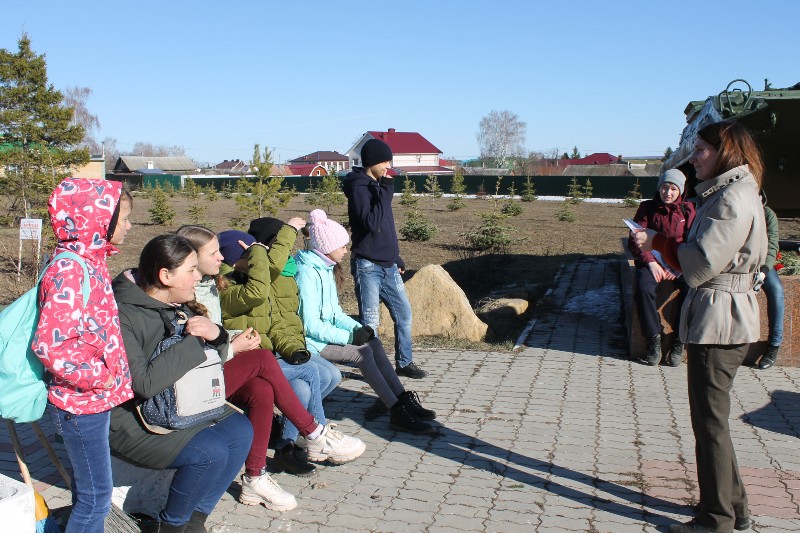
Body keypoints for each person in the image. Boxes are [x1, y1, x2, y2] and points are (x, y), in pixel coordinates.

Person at [633, 121, 766, 533]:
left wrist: (657, 241)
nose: (694, 158)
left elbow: (701, 263)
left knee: (709, 424)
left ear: (726, 151)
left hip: (720, 320)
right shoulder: (733, 191)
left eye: (702, 149)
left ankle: (715, 519)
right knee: (714, 421)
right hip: (721, 316)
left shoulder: (732, 198)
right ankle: (735, 508)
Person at [177, 225, 352, 508]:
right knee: (266, 360)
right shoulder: (192, 293)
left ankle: (255, 477)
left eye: (220, 252)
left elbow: (271, 317)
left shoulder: (211, 285)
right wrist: (232, 345)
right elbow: (190, 351)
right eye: (213, 253)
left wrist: (234, 339)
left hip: (218, 366)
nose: (220, 258)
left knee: (262, 390)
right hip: (193, 385)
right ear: (190, 258)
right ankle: (313, 432)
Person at [32, 177, 134, 533]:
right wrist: (100, 376)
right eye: (124, 218)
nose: (129, 226)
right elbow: (51, 344)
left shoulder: (90, 261)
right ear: (99, 220)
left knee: (88, 492)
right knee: (96, 500)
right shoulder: (71, 269)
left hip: (91, 400)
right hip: (80, 403)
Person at [216, 228, 365, 468]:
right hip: (247, 362)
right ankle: (315, 435)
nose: (260, 260)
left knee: (318, 379)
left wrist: (293, 349)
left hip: (270, 353)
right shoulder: (231, 289)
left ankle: (293, 440)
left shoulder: (263, 281)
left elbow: (279, 323)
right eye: (252, 255)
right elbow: (257, 293)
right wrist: (265, 247)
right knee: (309, 375)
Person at [295, 209, 437, 434]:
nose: (346, 249)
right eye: (342, 246)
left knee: (373, 342)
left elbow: (335, 312)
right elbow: (310, 325)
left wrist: (359, 329)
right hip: (309, 342)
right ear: (327, 247)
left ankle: (401, 398)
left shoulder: (325, 267)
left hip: (322, 335)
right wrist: (351, 337)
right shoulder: (307, 273)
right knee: (361, 353)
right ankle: (396, 411)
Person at [343, 138, 427, 379]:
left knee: (404, 314)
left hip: (388, 265)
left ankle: (404, 363)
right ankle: (375, 368)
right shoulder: (359, 188)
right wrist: (387, 191)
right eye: (385, 162)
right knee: (371, 321)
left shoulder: (378, 185)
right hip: (367, 265)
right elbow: (372, 224)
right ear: (372, 162)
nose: (388, 166)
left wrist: (395, 257)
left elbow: (387, 228)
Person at [627, 169, 696, 366]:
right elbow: (635, 238)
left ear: (680, 191)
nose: (668, 193)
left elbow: (693, 240)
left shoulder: (689, 209)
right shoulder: (647, 207)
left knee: (693, 289)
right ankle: (653, 339)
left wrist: (678, 267)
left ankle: (679, 340)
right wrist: (650, 262)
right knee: (643, 288)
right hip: (653, 262)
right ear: (659, 188)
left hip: (680, 263)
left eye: (673, 189)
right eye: (664, 188)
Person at [755, 192, 784, 369]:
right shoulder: (737, 210)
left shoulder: (768, 214)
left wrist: (764, 270)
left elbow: (773, 243)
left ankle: (774, 344)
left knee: (776, 291)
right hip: (740, 264)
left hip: (763, 264)